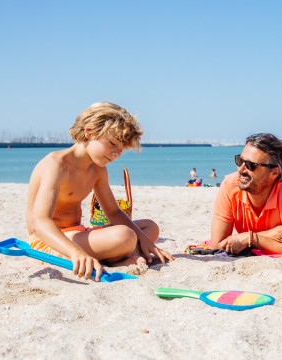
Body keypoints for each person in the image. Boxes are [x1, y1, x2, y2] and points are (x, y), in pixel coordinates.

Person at [26, 102, 173, 281]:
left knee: (149, 228)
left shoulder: (97, 169)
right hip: (50, 241)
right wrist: (75, 252)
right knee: (126, 236)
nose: (115, 153)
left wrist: (145, 240)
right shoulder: (56, 165)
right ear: (89, 132)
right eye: (112, 144)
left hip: (79, 233)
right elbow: (38, 223)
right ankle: (123, 257)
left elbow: (113, 212)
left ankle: (123, 256)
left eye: (120, 150)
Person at [210, 133, 282, 255]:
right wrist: (265, 235)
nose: (240, 170)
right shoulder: (230, 186)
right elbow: (216, 245)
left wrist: (252, 238)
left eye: (250, 165)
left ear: (274, 172)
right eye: (240, 160)